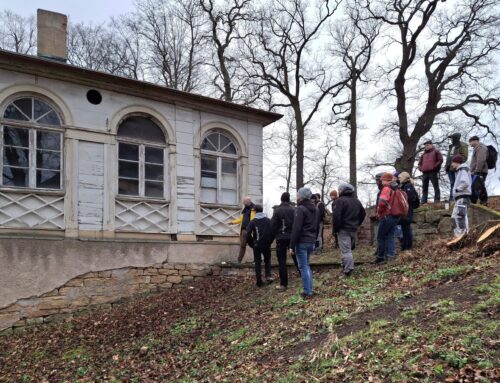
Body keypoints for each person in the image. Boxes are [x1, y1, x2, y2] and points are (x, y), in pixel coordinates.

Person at [290, 187, 319, 299]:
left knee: (303, 267)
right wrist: (314, 239)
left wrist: (291, 245)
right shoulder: (316, 209)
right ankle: (309, 289)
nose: (296, 197)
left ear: (301, 197)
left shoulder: (300, 209)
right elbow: (316, 227)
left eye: (297, 195)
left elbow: (296, 228)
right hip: (311, 241)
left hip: (301, 241)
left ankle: (308, 291)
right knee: (306, 266)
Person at [332, 183, 366, 276]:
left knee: (346, 250)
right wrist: (357, 223)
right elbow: (363, 214)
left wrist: (335, 229)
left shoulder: (340, 201)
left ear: (342, 190)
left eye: (339, 190)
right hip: (353, 228)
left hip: (343, 229)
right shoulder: (356, 201)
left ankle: (348, 270)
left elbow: (336, 217)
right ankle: (345, 265)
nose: (338, 191)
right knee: (348, 249)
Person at [270, 192, 299, 290]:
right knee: (296, 257)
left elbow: (273, 225)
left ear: (281, 199)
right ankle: (303, 275)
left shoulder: (277, 211)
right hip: (292, 237)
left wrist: (275, 235)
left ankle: (283, 284)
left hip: (281, 237)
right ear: (289, 199)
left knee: (282, 260)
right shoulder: (293, 210)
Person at [246, 204, 274, 287]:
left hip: (257, 245)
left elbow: (247, 234)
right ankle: (268, 276)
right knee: (267, 261)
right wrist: (270, 241)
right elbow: (273, 232)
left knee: (258, 262)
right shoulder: (268, 220)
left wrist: (252, 244)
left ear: (255, 211)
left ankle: (259, 281)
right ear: (262, 210)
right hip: (266, 244)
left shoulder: (253, 222)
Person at [375, 173, 400, 263]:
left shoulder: (386, 188)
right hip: (395, 215)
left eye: (382, 179)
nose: (380, 181)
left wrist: (379, 213)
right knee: (390, 236)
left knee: (380, 237)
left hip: (387, 215)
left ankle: (380, 257)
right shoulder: (395, 188)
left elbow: (382, 202)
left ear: (385, 180)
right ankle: (390, 255)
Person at [450, 155, 472, 237]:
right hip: (460, 197)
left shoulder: (462, 170)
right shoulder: (460, 170)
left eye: (452, 162)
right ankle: (461, 234)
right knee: (458, 216)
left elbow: (465, 183)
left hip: (462, 196)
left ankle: (462, 235)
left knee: (459, 215)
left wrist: (457, 189)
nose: (452, 164)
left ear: (456, 162)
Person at [229, 196, 255, 263]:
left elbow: (253, 220)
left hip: (250, 230)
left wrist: (251, 230)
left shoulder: (254, 208)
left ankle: (256, 260)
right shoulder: (245, 209)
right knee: (243, 245)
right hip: (243, 231)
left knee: (254, 245)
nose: (243, 203)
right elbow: (241, 219)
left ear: (248, 201)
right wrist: (232, 222)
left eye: (244, 201)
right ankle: (239, 261)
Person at [445, 133, 468, 201]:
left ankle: (455, 197)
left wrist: (457, 164)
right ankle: (452, 197)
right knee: (452, 183)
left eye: (452, 138)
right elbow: (449, 157)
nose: (451, 139)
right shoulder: (451, 146)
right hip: (449, 168)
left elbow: (464, 157)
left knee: (457, 183)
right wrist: (447, 165)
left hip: (457, 168)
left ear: (455, 138)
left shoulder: (463, 145)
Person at [398, 172, 419, 251]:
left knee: (406, 228)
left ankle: (408, 246)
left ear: (404, 177)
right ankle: (405, 246)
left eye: (400, 177)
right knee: (404, 228)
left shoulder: (408, 186)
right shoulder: (403, 185)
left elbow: (411, 198)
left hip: (407, 210)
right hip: (404, 210)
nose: (398, 178)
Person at [469, 136, 489, 205]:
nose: (470, 144)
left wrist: (477, 170)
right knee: (476, 186)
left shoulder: (480, 147)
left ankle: (483, 202)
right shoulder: (477, 148)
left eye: (470, 142)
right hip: (476, 171)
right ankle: (475, 202)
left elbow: (481, 160)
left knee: (479, 186)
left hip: (480, 171)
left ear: (475, 141)